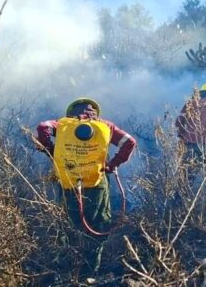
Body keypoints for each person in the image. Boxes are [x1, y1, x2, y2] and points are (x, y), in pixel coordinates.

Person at [35, 97, 136, 244]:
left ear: (71, 112)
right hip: (97, 183)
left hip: (68, 181)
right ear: (95, 112)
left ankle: (69, 255)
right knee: (99, 223)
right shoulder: (105, 125)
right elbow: (129, 142)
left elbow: (42, 127)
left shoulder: (62, 124)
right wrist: (112, 165)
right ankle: (93, 258)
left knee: (67, 220)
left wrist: (52, 151)